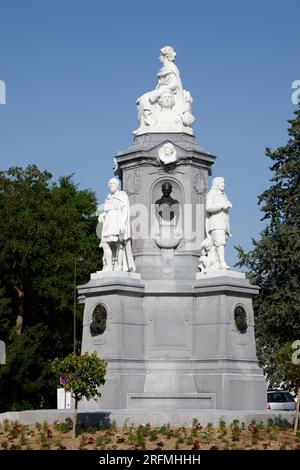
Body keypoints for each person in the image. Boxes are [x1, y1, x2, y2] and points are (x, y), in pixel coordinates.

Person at [135, 46, 195, 133]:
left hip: (170, 91)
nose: (159, 57)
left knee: (145, 99)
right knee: (141, 100)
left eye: (160, 55)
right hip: (162, 90)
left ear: (165, 56)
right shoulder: (165, 68)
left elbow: (175, 84)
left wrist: (158, 93)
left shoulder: (171, 68)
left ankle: (149, 119)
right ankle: (144, 125)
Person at [98, 178, 135, 272]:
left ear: (118, 184)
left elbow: (125, 210)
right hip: (108, 223)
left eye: (112, 183)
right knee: (105, 244)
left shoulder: (122, 195)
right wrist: (102, 215)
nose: (110, 185)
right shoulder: (108, 197)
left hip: (117, 221)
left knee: (120, 243)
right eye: (109, 183)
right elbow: (107, 210)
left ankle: (119, 266)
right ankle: (109, 267)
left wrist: (123, 222)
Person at [205, 177, 232, 270]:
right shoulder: (211, 194)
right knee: (220, 243)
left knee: (221, 244)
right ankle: (222, 263)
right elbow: (208, 207)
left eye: (223, 183)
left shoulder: (224, 195)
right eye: (221, 183)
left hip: (224, 224)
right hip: (216, 223)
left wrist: (227, 204)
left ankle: (216, 263)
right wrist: (221, 206)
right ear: (216, 184)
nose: (223, 184)